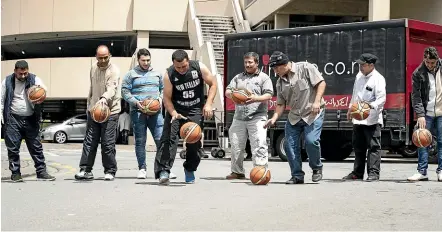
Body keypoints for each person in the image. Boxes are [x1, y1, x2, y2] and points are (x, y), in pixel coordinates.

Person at [154, 49, 217, 184]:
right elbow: (166, 98)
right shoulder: (169, 74)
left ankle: (190, 168)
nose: (181, 69)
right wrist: (173, 113)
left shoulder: (199, 67)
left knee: (194, 141)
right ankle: (164, 170)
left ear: (188, 61)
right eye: (178, 67)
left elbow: (213, 84)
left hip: (195, 110)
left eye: (184, 66)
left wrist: (208, 104)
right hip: (177, 110)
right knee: (169, 139)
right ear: (173, 64)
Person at [264, 51, 326, 184]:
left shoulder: (305, 68)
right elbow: (281, 104)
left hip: (313, 113)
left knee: (311, 141)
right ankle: (297, 175)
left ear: (284, 65)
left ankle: (317, 168)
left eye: (276, 68)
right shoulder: (280, 82)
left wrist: (316, 101)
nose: (275, 71)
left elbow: (321, 83)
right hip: (295, 116)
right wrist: (274, 118)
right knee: (289, 145)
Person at [121, 48, 176, 179]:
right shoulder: (131, 74)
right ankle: (142, 168)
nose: (146, 63)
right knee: (140, 141)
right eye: (143, 60)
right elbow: (124, 91)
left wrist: (160, 99)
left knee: (161, 140)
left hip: (156, 113)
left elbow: (164, 89)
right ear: (138, 60)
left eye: (148, 60)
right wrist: (135, 102)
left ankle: (165, 168)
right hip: (138, 112)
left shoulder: (157, 74)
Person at [0, 60, 56, 182]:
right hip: (13, 119)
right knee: (13, 148)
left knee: (36, 147)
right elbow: (1, 99)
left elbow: (43, 89)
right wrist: (1, 117)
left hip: (31, 118)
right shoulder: (7, 81)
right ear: (15, 71)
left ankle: (41, 172)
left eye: (25, 73)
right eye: (21, 74)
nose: (23, 76)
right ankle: (15, 173)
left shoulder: (34, 79)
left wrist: (40, 93)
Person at [74, 45, 121, 181]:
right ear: (96, 57)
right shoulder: (93, 68)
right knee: (89, 141)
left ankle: (110, 170)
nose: (103, 60)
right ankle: (85, 170)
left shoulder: (114, 70)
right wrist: (90, 105)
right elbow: (92, 88)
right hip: (94, 111)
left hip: (110, 112)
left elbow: (112, 88)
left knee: (107, 143)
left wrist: (104, 99)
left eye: (106, 57)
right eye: (100, 58)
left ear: (110, 56)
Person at [225, 52, 273, 179]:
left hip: (257, 116)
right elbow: (228, 91)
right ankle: (237, 172)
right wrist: (233, 95)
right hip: (239, 117)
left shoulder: (264, 78)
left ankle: (260, 172)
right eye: (246, 62)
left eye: (250, 62)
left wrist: (255, 98)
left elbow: (268, 95)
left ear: (257, 63)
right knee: (236, 145)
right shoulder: (238, 78)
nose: (247, 64)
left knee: (259, 144)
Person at [342, 53, 386, 182]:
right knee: (358, 146)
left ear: (371, 65)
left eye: (363, 65)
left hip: (372, 118)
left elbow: (381, 99)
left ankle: (373, 173)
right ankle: (357, 172)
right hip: (358, 117)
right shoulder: (359, 77)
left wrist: (369, 107)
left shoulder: (378, 79)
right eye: (360, 64)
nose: (360, 67)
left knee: (373, 146)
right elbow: (355, 94)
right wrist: (351, 108)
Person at [408, 47, 442, 182]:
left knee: (441, 141)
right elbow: (415, 96)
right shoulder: (418, 73)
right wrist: (420, 114)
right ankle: (422, 172)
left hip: (441, 111)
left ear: (437, 60)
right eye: (427, 62)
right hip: (426, 113)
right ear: (424, 59)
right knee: (422, 140)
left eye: (432, 63)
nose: (430, 65)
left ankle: (441, 171)